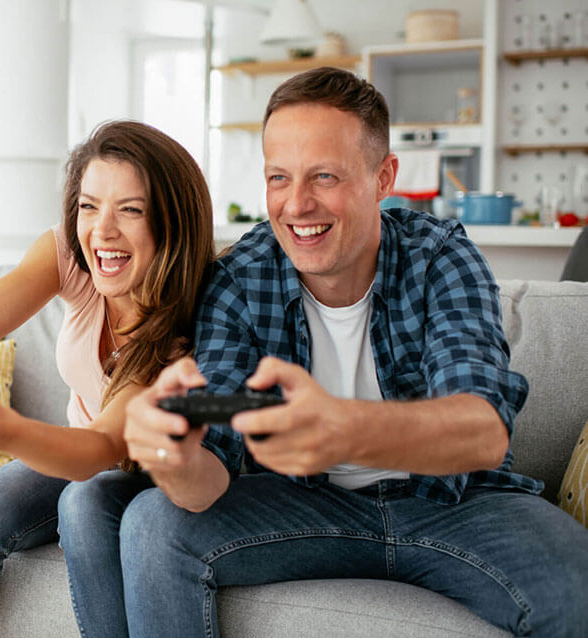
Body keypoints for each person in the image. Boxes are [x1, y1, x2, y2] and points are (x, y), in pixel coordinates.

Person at [118, 67, 588, 637]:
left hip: (454, 504)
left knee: (574, 586)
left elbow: (483, 432)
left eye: (324, 176)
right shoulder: (240, 278)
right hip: (303, 506)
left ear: (382, 176)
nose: (296, 205)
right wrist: (175, 456)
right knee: (151, 522)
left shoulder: (441, 257)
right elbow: (208, 476)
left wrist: (341, 428)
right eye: (278, 177)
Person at [0, 120, 214, 637]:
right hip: (80, 447)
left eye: (131, 210)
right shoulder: (72, 253)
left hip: (158, 468)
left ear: (172, 221)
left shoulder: (192, 319)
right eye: (89, 206)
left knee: (84, 501)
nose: (103, 230)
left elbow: (100, 447)